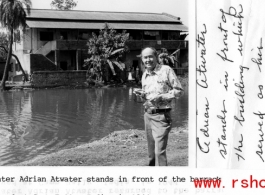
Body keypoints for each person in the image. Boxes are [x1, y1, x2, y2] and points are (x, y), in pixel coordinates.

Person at [138, 47, 183, 166]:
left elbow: (179, 91)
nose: (148, 60)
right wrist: (142, 95)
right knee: (151, 154)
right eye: (145, 57)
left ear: (156, 57)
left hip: (161, 116)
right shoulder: (145, 74)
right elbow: (147, 95)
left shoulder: (166, 70)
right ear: (142, 60)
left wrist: (162, 97)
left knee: (159, 152)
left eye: (150, 56)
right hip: (148, 115)